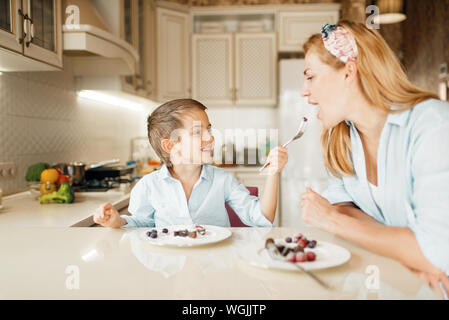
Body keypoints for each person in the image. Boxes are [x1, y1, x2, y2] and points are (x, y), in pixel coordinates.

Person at [299, 21, 449, 298]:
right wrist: (409, 252)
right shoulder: (342, 139)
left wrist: (331, 221)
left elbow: (438, 254)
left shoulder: (432, 126)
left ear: (348, 72)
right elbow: (342, 204)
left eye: (311, 76)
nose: (304, 91)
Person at [93, 99, 287, 229]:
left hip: (216, 266)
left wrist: (273, 172)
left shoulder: (223, 180)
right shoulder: (149, 186)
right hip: (170, 268)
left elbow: (262, 218)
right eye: (197, 132)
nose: (210, 137)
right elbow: (141, 224)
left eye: (209, 129)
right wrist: (118, 221)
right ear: (170, 145)